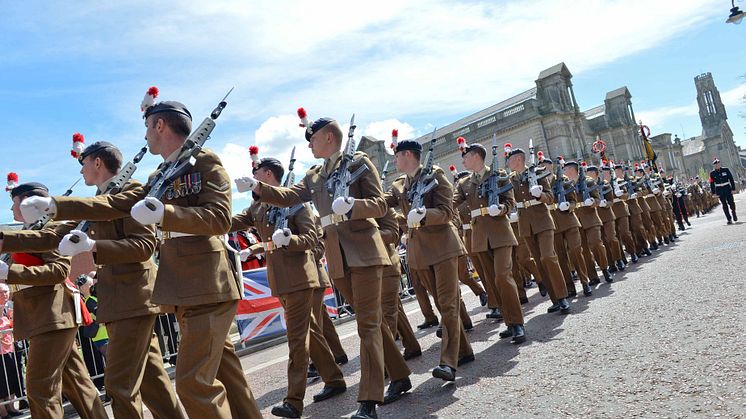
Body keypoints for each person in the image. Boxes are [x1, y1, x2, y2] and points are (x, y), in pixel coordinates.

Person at [20, 99, 261, 418]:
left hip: (208, 278)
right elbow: (112, 207)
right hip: (180, 284)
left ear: (159, 125)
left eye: (148, 126)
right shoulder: (160, 174)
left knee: (193, 384)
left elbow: (220, 217)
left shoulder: (204, 161)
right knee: (225, 374)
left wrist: (166, 213)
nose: (145, 135)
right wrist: (56, 206)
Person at [239, 115, 409, 419]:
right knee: (371, 323)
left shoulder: (358, 162)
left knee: (367, 325)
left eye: (313, 139)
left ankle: (368, 401)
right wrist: (257, 187)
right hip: (338, 256)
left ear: (329, 137)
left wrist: (354, 207)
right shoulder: (315, 175)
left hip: (364, 251)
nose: (310, 144)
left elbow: (380, 205)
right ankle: (400, 375)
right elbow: (290, 195)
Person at [7, 140, 185, 418]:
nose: (81, 171)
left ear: (98, 163)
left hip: (134, 296)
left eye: (84, 163)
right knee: (152, 382)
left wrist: (91, 246)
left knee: (119, 386)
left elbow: (143, 247)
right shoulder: (99, 200)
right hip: (117, 300)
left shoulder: (130, 192)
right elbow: (49, 236)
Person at [230, 154, 346, 418]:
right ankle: (334, 378)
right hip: (281, 280)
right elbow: (233, 221)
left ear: (268, 174)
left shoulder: (295, 204)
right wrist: (204, 220)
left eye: (257, 172)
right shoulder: (259, 208)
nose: (253, 176)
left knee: (296, 340)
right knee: (311, 332)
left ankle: (294, 400)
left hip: (300, 280)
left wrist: (289, 240)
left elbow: (312, 239)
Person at [0, 182, 108, 419]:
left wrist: (10, 273)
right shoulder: (29, 232)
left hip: (51, 316)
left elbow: (59, 271)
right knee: (78, 385)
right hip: (45, 316)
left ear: (29, 201)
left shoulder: (49, 229)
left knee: (40, 387)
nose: (11, 210)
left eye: (14, 203)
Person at [453, 141, 526, 342]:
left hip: (500, 232)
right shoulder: (464, 183)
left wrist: (501, 209)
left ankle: (518, 323)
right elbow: (452, 203)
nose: (463, 160)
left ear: (476, 156)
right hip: (479, 236)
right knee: (492, 281)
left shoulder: (499, 175)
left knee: (503, 276)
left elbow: (510, 202)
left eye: (466, 156)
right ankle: (509, 322)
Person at [506, 148, 571, 314]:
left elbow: (550, 197)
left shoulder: (538, 173)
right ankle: (555, 299)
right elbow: (508, 199)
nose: (508, 162)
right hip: (525, 224)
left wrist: (539, 195)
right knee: (540, 262)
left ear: (519, 159)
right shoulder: (510, 179)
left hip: (543, 221)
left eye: (510, 159)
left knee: (548, 257)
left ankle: (563, 297)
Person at [0, 284, 23, 418]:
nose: (4, 294)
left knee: (12, 377)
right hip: (0, 351)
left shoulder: (10, 306)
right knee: (1, 380)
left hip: (10, 348)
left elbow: (16, 324)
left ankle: (11, 406)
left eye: (6, 292)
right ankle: (3, 411)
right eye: (2, 292)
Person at [710, 158, 738, 224]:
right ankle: (729, 219)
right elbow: (711, 183)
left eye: (718, 164)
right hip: (719, 190)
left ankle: (734, 213)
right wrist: (713, 193)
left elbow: (731, 179)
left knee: (731, 203)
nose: (717, 165)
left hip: (727, 188)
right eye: (716, 165)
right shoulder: (712, 173)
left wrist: (733, 189)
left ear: (720, 164)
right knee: (724, 204)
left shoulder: (726, 170)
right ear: (714, 166)